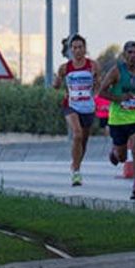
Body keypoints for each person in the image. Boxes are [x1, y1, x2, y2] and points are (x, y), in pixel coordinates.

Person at [97, 41, 135, 201]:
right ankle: (114, 152)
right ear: (124, 55)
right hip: (118, 120)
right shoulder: (116, 71)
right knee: (122, 158)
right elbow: (101, 92)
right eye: (129, 52)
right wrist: (119, 98)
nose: (132, 55)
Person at [51, 34, 97, 187]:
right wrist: (57, 81)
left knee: (84, 140)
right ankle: (76, 172)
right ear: (71, 50)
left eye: (80, 47)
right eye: (75, 48)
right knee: (77, 134)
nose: (77, 51)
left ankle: (76, 164)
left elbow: (99, 85)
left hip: (87, 106)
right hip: (70, 105)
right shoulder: (65, 68)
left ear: (85, 49)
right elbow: (56, 86)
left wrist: (97, 90)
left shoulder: (93, 65)